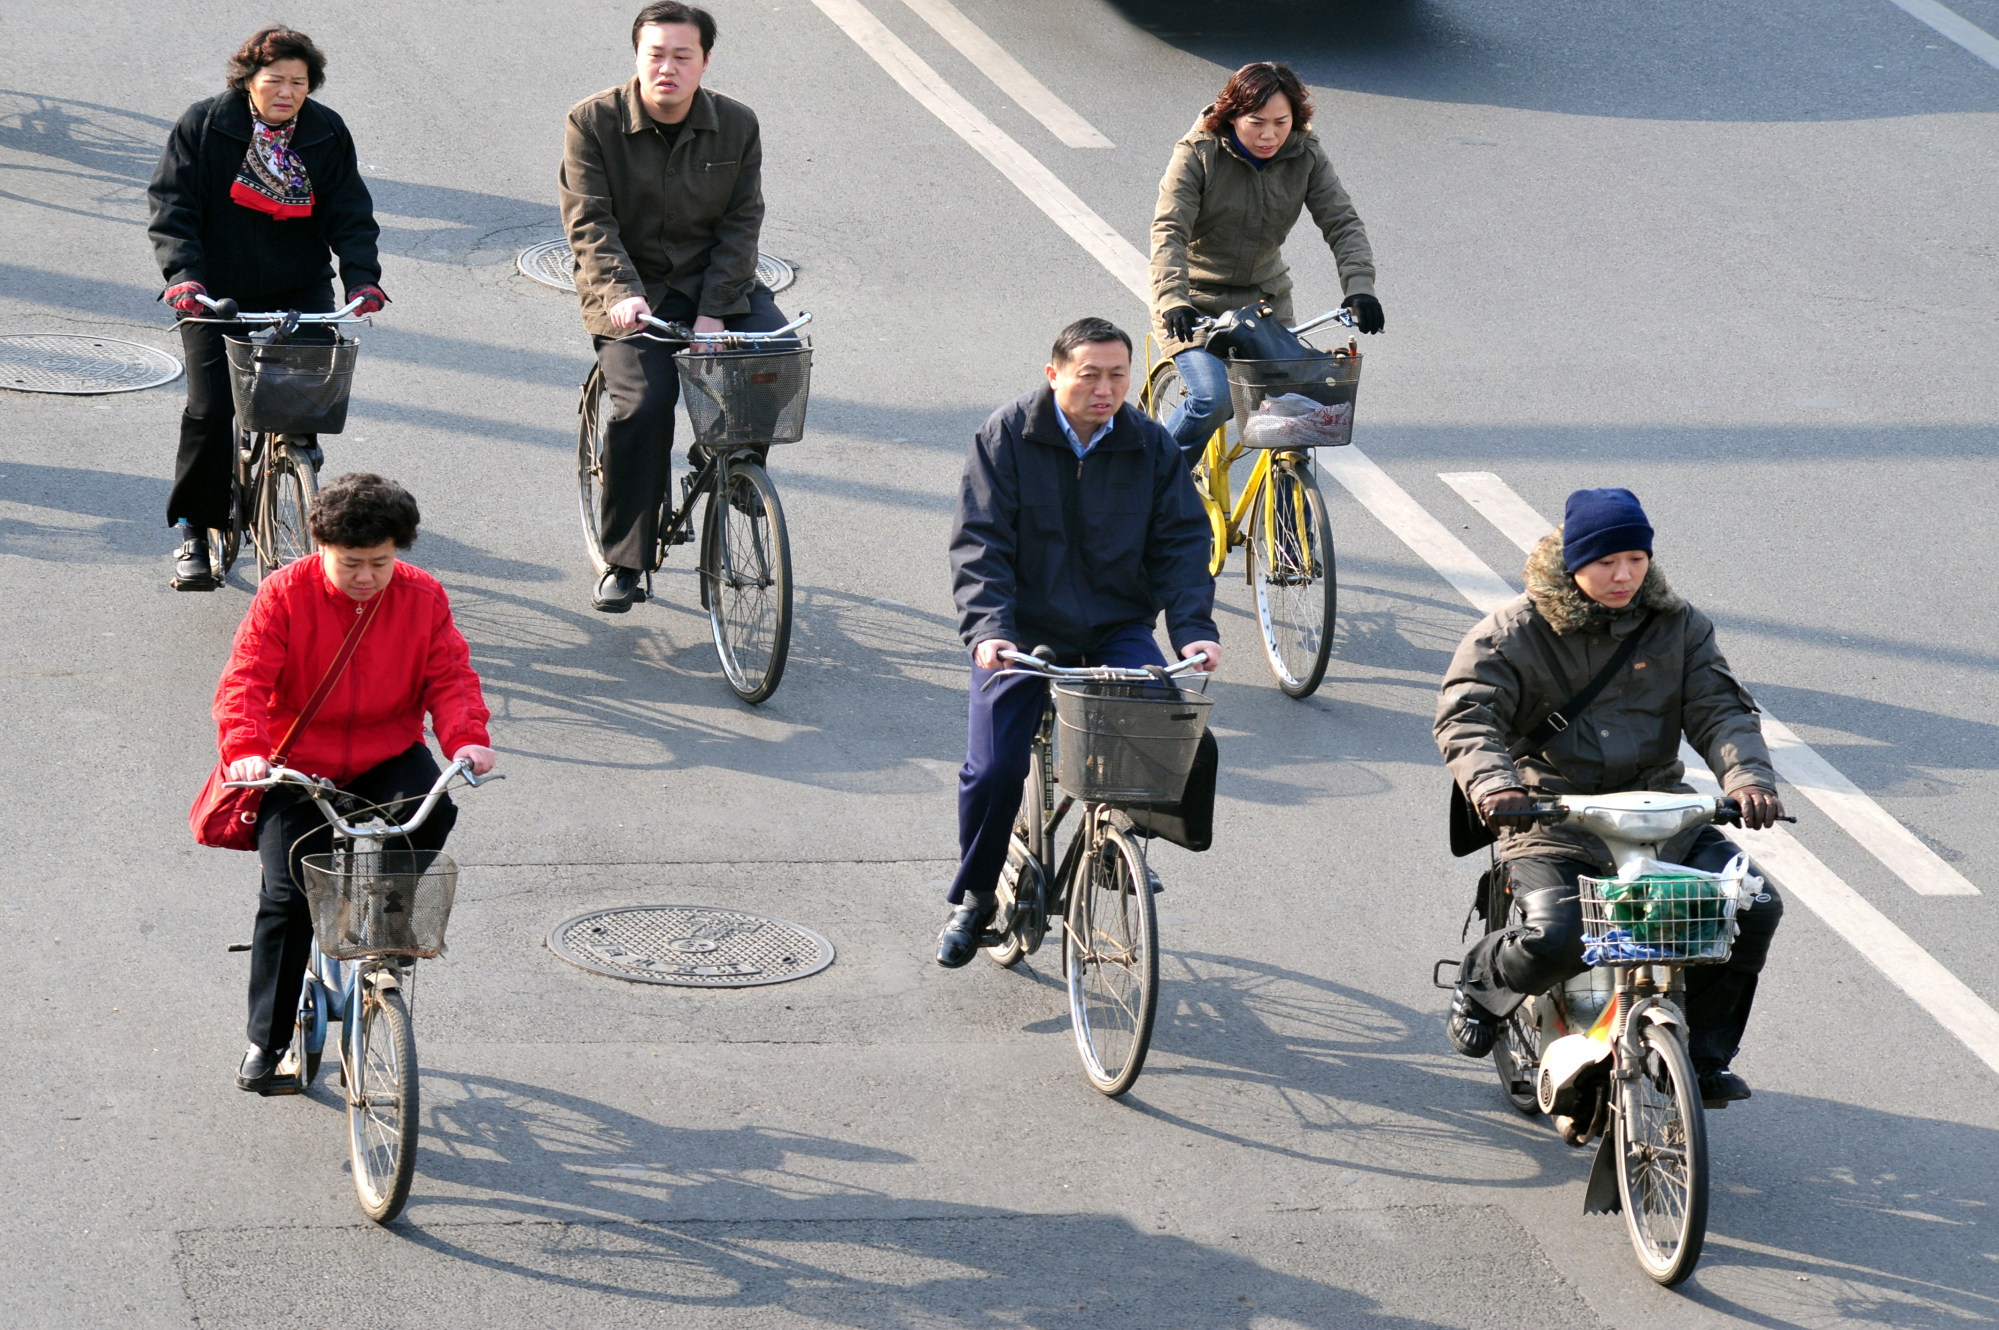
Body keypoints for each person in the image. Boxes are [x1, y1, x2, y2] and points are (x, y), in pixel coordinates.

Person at [1434, 488, 1786, 1106]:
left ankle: (1700, 1056)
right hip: (1551, 816)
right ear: (1572, 562)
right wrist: (1496, 785)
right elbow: (1467, 716)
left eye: (1636, 559)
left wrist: (1747, 780)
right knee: (1563, 935)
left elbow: (1720, 710)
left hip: (1659, 815)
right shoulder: (1514, 633)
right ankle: (1484, 981)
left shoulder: (1678, 626)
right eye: (1606, 562)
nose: (1624, 576)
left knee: (1750, 910)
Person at [939, 317, 1223, 967]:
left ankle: (1114, 841)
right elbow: (979, 543)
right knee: (994, 768)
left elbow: (1182, 543)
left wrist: (1194, 631)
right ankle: (977, 894)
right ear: (1054, 375)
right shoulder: (1006, 437)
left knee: (1161, 724)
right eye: (1088, 374)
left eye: (1117, 375)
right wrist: (988, 630)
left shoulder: (1149, 445)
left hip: (1114, 627)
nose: (1104, 389)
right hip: (1021, 631)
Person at [212, 474, 494, 1091]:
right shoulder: (283, 595)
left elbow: (449, 677)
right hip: (295, 763)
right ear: (320, 548)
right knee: (286, 898)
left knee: (433, 806)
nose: (366, 576)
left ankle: (379, 919)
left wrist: (467, 737)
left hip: (385, 750)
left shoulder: (423, 597)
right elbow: (246, 683)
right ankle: (268, 1038)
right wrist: (248, 752)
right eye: (351, 564)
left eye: (381, 562)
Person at [560, 0, 793, 613]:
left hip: (717, 283)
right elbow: (589, 221)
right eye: (655, 54)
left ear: (704, 62)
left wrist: (717, 311)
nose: (667, 68)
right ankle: (626, 560)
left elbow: (743, 223)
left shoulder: (738, 125)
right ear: (637, 57)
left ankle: (735, 455)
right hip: (632, 293)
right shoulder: (592, 122)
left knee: (776, 351)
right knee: (645, 406)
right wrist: (619, 291)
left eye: (682, 56)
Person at [148, 26, 387, 589]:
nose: (287, 92)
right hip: (213, 290)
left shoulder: (325, 132)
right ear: (248, 81)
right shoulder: (205, 125)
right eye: (274, 80)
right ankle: (195, 530)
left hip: (296, 286)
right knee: (211, 412)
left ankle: (292, 464)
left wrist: (362, 281)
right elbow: (172, 204)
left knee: (303, 402)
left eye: (298, 82)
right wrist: (184, 277)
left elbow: (350, 211)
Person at [1149, 61, 1381, 462]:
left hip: (1263, 304)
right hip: (1196, 305)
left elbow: (1343, 224)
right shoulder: (1197, 154)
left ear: (1296, 118)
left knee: (1299, 410)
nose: (1269, 135)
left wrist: (1360, 288)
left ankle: (1295, 513)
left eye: (1281, 121)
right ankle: (1152, 485)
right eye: (1256, 122)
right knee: (1214, 398)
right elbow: (1169, 230)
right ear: (1232, 114)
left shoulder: (1305, 155)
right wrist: (1172, 299)